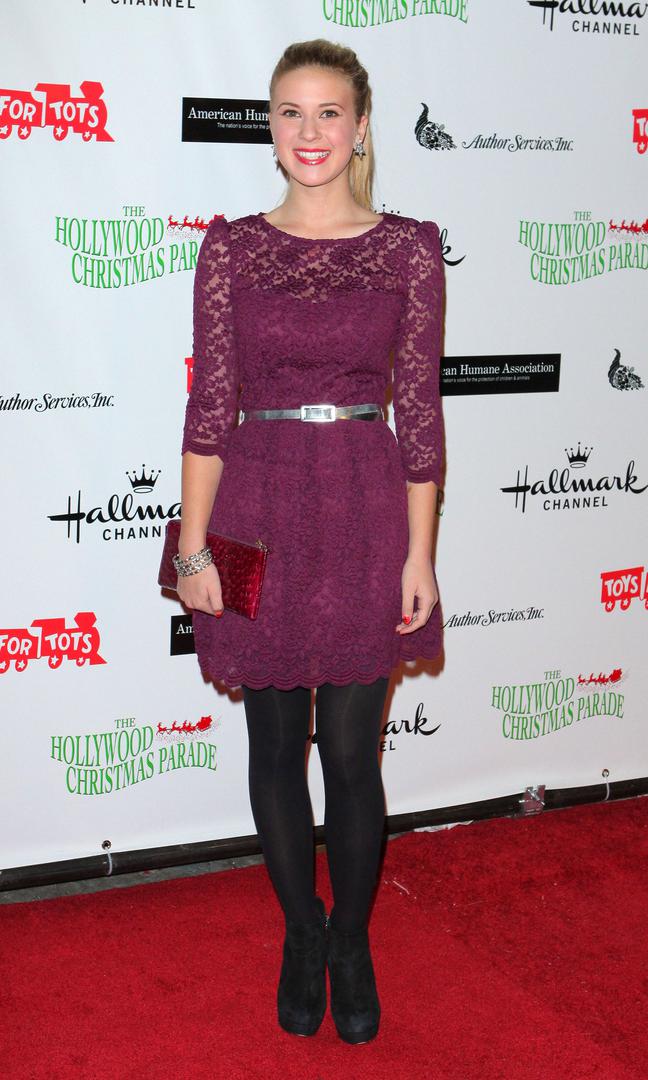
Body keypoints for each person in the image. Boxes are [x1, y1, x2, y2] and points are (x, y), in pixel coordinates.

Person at [175, 38, 445, 1045]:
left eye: (329, 111)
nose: (310, 131)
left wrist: (420, 555)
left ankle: (353, 942)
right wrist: (192, 549)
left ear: (361, 126)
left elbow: (421, 414)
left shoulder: (409, 248)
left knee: (350, 755)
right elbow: (210, 408)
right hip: (252, 505)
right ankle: (302, 932)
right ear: (271, 127)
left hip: (367, 508)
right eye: (290, 111)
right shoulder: (232, 249)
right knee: (274, 746)